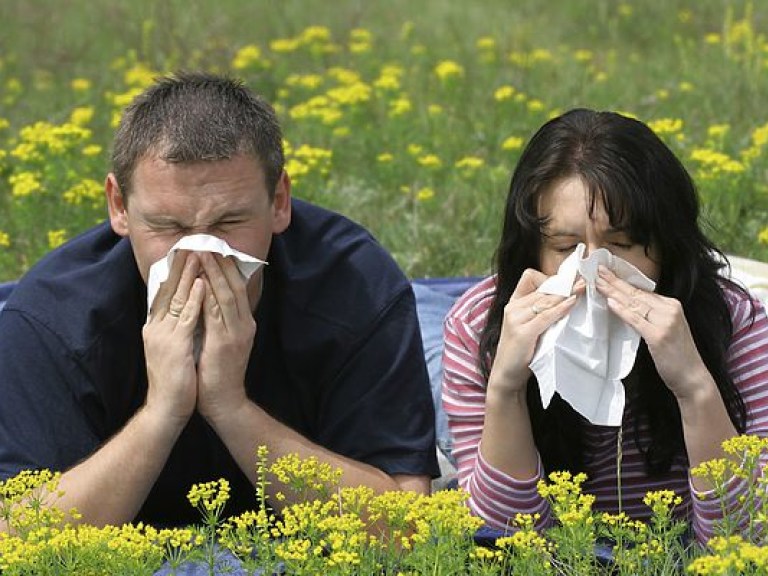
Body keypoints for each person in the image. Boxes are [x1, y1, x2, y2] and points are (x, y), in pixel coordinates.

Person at [0, 72, 439, 528]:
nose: (200, 253)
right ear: (119, 207)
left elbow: (406, 527)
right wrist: (161, 413)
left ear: (280, 201)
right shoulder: (53, 319)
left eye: (229, 222)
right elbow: (13, 538)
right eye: (168, 227)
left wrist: (232, 408)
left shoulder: (357, 286)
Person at [442, 108, 768, 543]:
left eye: (621, 245)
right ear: (531, 250)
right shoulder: (474, 326)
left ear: (666, 247)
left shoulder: (733, 318)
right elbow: (499, 539)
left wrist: (694, 386)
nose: (594, 271)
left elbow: (750, 538)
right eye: (565, 246)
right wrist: (506, 387)